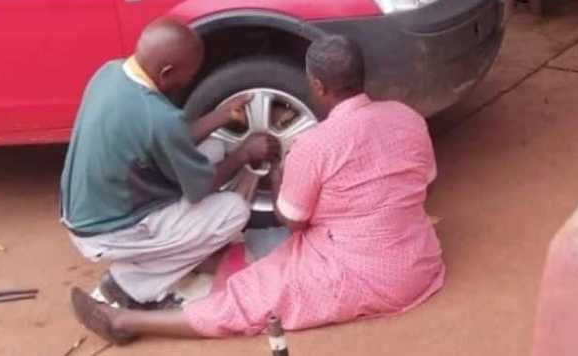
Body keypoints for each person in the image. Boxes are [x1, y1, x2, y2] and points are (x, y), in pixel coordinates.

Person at [70, 35, 445, 343]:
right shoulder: (406, 117)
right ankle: (145, 275)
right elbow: (422, 181)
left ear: (316, 85)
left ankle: (126, 322)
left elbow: (292, 221)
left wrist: (281, 172)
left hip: (363, 274)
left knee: (253, 299)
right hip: (418, 261)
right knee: (262, 250)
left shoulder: (315, 146)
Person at [61, 18, 280, 311]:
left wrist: (220, 116)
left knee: (214, 147)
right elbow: (200, 189)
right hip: (111, 230)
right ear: (166, 73)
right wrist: (244, 154)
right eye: (188, 76)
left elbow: (164, 137)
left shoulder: (109, 73)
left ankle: (162, 251)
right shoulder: (160, 118)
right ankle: (130, 287)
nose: (189, 81)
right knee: (233, 212)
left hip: (85, 211)